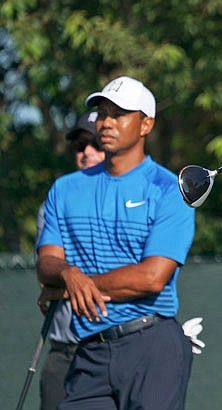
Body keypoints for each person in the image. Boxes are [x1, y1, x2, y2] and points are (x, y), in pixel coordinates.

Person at [36, 76, 196, 410]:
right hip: (89, 349)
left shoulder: (170, 189)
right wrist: (67, 274)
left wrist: (70, 287)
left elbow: (152, 277)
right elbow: (47, 263)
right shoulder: (64, 189)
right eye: (103, 113)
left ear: (145, 124)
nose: (106, 122)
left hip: (152, 344)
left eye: (119, 114)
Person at [35, 113, 104, 410]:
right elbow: (48, 275)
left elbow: (139, 279)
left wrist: (61, 286)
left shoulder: (136, 198)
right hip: (64, 352)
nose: (86, 151)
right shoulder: (56, 199)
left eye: (94, 144)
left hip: (113, 352)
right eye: (79, 145)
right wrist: (63, 280)